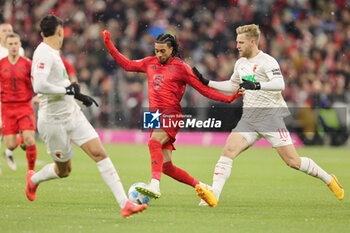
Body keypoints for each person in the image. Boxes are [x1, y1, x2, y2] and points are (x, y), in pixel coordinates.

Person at [193, 24, 344, 207]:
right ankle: (213, 196)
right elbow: (233, 86)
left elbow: (280, 84)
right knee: (227, 152)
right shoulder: (240, 63)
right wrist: (207, 82)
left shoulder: (268, 61)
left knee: (293, 161)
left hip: (270, 118)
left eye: (241, 42)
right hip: (249, 119)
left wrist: (257, 85)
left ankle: (329, 179)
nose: (237, 46)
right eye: (236, 42)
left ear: (252, 42)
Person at [27, 15, 147, 218]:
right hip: (53, 121)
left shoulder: (54, 53)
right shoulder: (44, 54)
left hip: (72, 115)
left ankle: (124, 204)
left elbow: (61, 85)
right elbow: (38, 86)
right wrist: (67, 92)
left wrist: (78, 95)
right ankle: (34, 179)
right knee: (64, 171)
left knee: (99, 153)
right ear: (60, 32)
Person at [102, 30, 241, 199]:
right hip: (152, 115)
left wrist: (229, 99)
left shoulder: (181, 68)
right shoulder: (149, 62)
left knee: (153, 143)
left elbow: (203, 89)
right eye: (156, 51)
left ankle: (154, 185)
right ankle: (202, 186)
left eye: (163, 51)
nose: (159, 55)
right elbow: (127, 64)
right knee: (166, 166)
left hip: (171, 114)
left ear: (172, 50)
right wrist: (109, 44)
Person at [0, 33, 36, 175]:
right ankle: (13, 146)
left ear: (20, 44)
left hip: (24, 106)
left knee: (29, 139)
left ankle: (31, 173)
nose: (14, 46)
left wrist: (38, 95)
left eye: (16, 43)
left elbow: (37, 81)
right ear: (6, 46)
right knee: (11, 144)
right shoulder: (1, 64)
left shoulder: (28, 64)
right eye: (11, 44)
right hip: (7, 108)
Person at [0, 23, 26, 173]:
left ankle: (9, 152)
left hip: (14, 97)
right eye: (4, 30)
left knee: (14, 130)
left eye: (10, 30)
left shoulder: (18, 50)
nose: (7, 33)